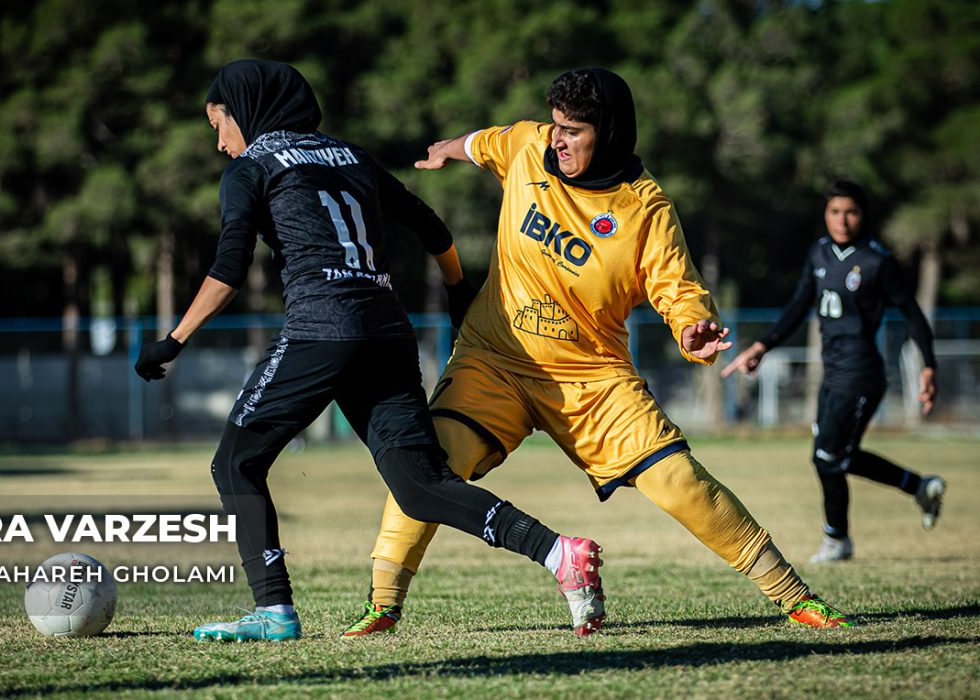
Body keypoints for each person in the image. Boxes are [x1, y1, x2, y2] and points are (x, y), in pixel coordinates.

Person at [343, 68, 851, 638]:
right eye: (555, 126)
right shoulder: (529, 146)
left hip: (591, 377)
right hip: (494, 360)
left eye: (574, 131)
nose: (557, 140)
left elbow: (677, 288)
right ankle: (382, 607)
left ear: (608, 133)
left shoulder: (645, 207)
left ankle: (796, 598)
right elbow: (485, 142)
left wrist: (690, 328)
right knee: (426, 466)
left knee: (680, 481)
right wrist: (447, 149)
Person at [133, 59, 605, 642]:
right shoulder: (350, 155)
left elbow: (229, 270)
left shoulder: (252, 167)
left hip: (319, 332)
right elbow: (432, 229)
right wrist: (460, 292)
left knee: (235, 462)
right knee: (420, 485)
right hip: (386, 333)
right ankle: (559, 553)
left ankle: (273, 611)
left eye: (218, 123)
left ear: (245, 112)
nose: (220, 141)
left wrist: (173, 340)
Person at [722, 180, 944, 563]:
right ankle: (919, 486)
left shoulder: (877, 261)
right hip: (833, 373)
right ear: (825, 215)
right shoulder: (820, 253)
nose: (842, 220)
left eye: (851, 212)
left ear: (863, 215)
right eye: (835, 211)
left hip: (860, 375)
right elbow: (798, 305)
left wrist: (929, 365)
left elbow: (911, 313)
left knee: (827, 457)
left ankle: (837, 539)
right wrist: (762, 346)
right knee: (839, 456)